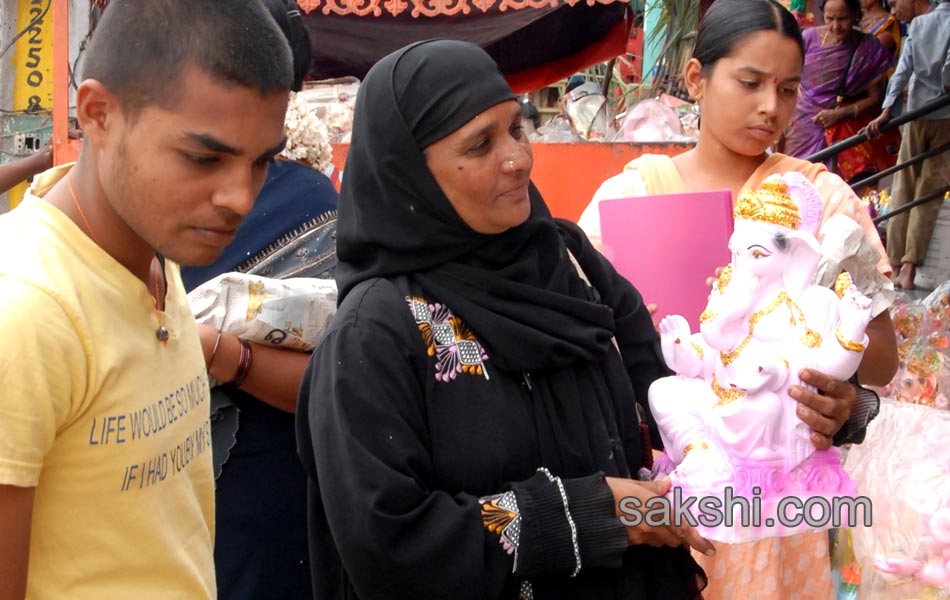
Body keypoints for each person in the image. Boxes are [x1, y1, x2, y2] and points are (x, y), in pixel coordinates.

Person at [296, 38, 714, 600]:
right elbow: (388, 542)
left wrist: (808, 398)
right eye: (480, 143)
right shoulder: (376, 334)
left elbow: (674, 389)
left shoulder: (567, 262)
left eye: (516, 129)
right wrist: (586, 513)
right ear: (407, 173)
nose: (517, 158)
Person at [577, 0, 899, 597]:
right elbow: (571, 329)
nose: (770, 107)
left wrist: (844, 393)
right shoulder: (630, 197)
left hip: (777, 502)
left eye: (788, 89)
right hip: (662, 489)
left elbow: (883, 354)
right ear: (698, 78)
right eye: (750, 83)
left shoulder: (819, 201)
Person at [0, 1, 292, 598]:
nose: (240, 197)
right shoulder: (26, 311)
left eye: (261, 161)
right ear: (99, 115)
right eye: (204, 158)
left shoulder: (150, 249)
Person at [179, 1, 338, 597]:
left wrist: (222, 354)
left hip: (255, 479)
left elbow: (344, 383)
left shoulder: (314, 201)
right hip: (238, 490)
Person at [866, 0, 950, 290]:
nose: (894, 8)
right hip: (946, 116)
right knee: (929, 194)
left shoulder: (919, 26)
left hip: (917, 113)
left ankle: (895, 264)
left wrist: (887, 108)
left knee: (903, 185)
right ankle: (910, 269)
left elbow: (902, 70)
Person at [783, 0, 897, 183]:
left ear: (855, 15)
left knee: (833, 186)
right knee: (797, 180)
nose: (835, 26)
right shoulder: (808, 38)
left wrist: (841, 113)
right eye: (830, 19)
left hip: (840, 131)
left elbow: (876, 98)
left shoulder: (867, 48)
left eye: (842, 19)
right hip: (800, 126)